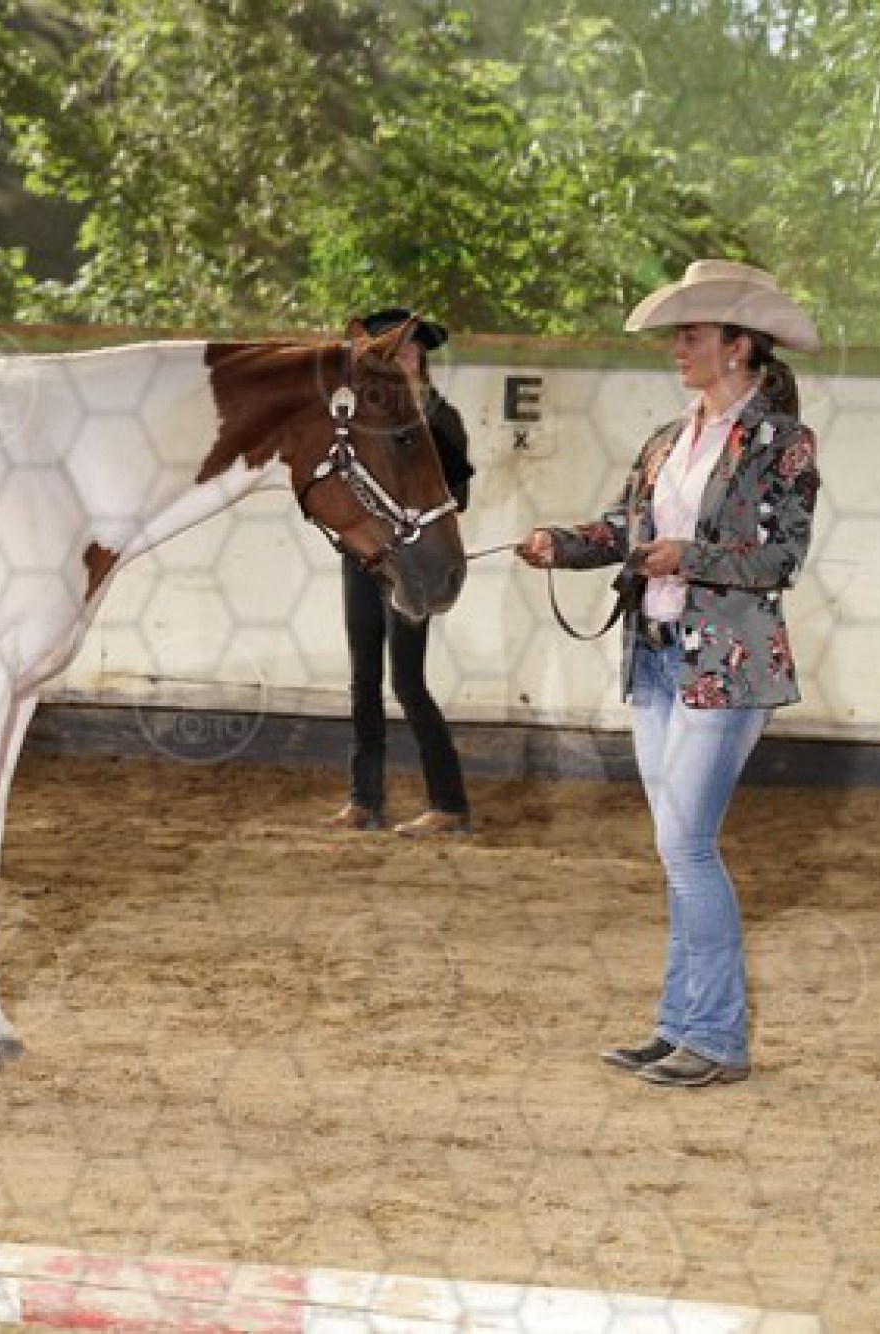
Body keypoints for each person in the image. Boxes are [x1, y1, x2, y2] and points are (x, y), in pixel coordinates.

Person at [517, 260, 821, 1089]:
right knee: (677, 849)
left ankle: (716, 1038)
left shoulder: (782, 444)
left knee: (685, 846)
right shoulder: (667, 440)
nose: (678, 348)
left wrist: (687, 555)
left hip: (728, 669)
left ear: (739, 345)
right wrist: (559, 544)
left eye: (692, 335)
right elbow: (624, 528)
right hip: (657, 658)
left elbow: (780, 560)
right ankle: (680, 1027)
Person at [324, 307, 476, 838]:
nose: (404, 357)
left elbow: (457, 497)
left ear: (421, 357)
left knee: (407, 681)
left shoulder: (440, 418)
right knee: (363, 679)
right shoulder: (359, 417)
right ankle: (364, 800)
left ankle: (449, 803)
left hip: (409, 565)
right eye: (393, 350)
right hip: (362, 559)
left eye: (410, 349)